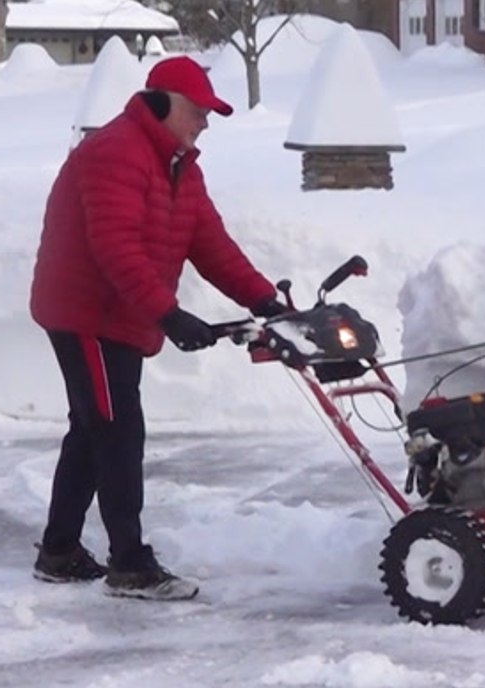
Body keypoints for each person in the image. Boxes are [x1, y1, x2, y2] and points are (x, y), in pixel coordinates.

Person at [28, 56, 287, 600]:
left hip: (120, 312)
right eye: (199, 111)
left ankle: (59, 551)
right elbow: (114, 248)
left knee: (95, 426)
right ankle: (129, 564)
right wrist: (168, 314)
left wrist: (266, 300)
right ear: (165, 101)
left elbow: (211, 244)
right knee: (117, 429)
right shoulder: (114, 153)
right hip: (87, 312)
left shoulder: (180, 166)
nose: (205, 123)